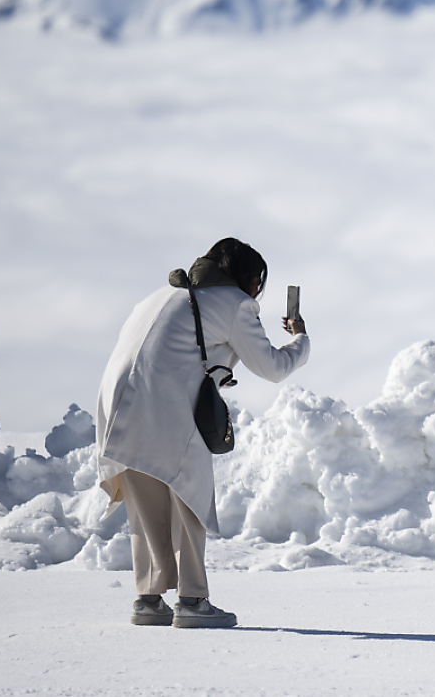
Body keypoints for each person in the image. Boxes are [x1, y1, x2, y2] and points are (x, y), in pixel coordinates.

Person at [95, 238, 310, 628]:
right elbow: (274, 367)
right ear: (247, 277)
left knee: (145, 496)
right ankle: (192, 601)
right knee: (189, 494)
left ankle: (148, 599)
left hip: (117, 399)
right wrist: (300, 340)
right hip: (165, 402)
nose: (257, 292)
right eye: (257, 282)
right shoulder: (235, 303)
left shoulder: (161, 295)